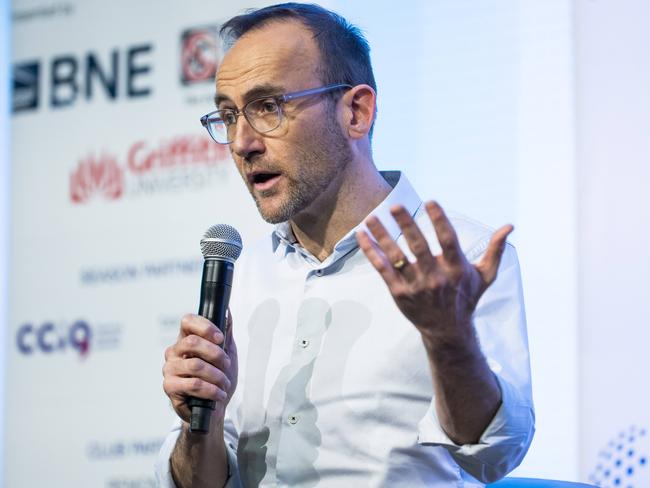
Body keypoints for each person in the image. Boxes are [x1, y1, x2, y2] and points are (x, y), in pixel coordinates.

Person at [156, 3, 534, 487]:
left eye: (268, 106)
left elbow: (495, 456)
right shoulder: (243, 274)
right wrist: (197, 421)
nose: (242, 142)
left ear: (356, 111)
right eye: (229, 116)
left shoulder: (461, 259)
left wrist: (449, 340)